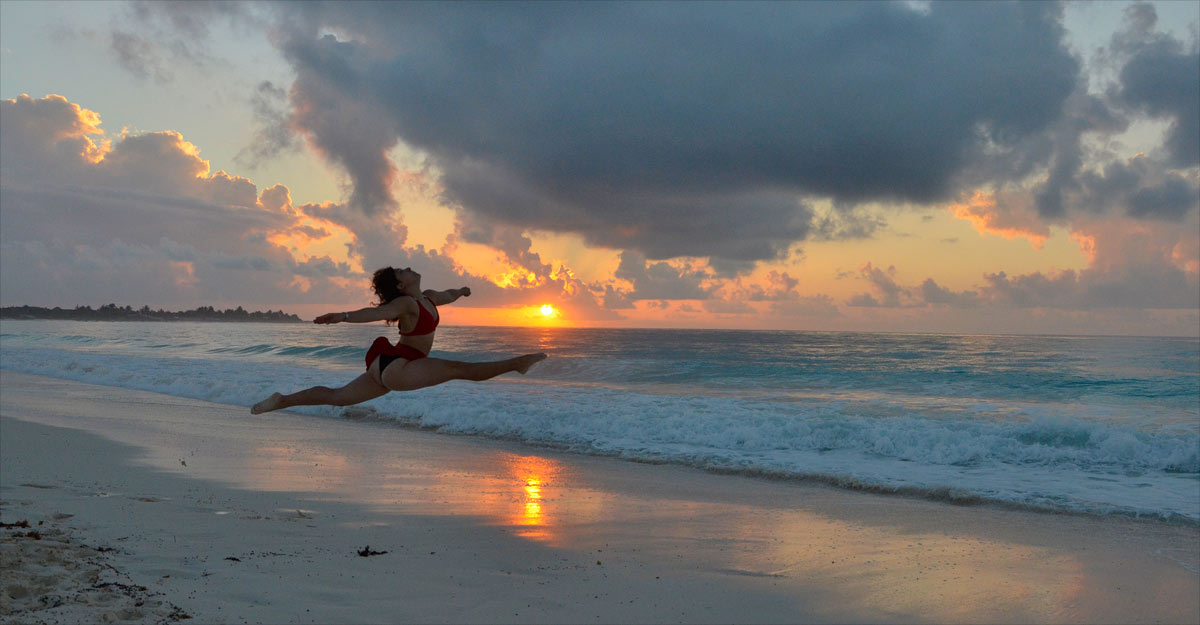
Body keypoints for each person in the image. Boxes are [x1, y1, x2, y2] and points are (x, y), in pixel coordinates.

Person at [251, 266, 546, 414]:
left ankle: (282, 401)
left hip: (388, 365)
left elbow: (449, 295)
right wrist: (343, 315)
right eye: (402, 271)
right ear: (402, 285)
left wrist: (463, 291)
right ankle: (517, 364)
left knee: (337, 397)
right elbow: (378, 312)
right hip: (400, 366)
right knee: (459, 369)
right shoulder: (406, 303)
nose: (408, 267)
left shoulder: (428, 298)